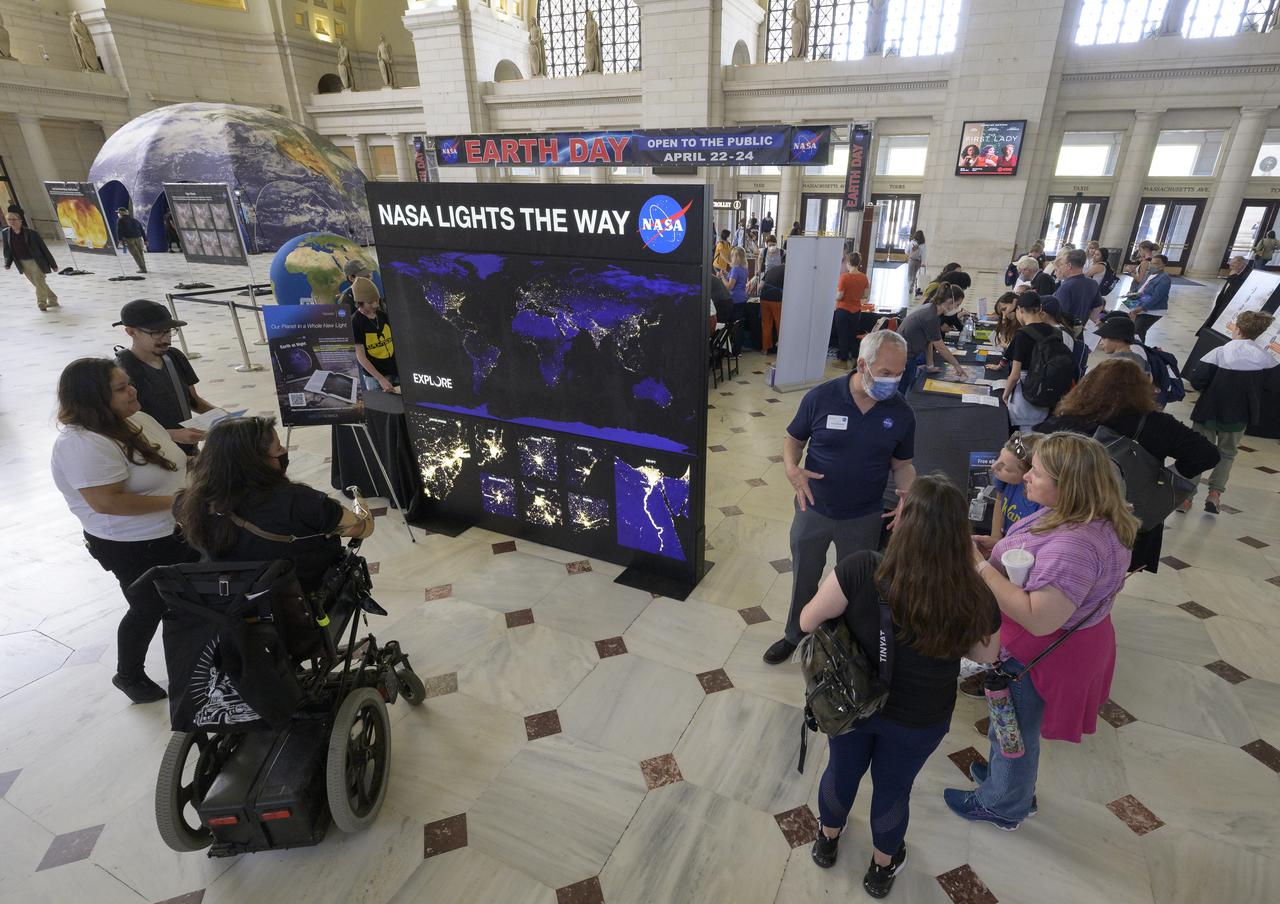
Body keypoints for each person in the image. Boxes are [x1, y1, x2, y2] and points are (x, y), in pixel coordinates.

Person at [800, 475, 1001, 898]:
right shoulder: (975, 594)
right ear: (959, 534)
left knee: (841, 771)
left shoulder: (861, 567)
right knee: (893, 789)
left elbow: (806, 621)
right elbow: (985, 657)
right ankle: (881, 867)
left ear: (903, 524)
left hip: (852, 704)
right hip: (919, 718)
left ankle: (827, 841)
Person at [944, 432, 1138, 831]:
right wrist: (993, 552)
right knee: (1009, 728)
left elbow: (1038, 617)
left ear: (1068, 486)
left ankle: (1004, 804)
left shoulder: (1075, 547)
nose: (1027, 477)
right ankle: (1009, 783)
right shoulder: (1079, 514)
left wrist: (979, 568)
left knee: (1013, 728)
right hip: (1050, 645)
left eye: (1038, 472)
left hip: (1041, 654)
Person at [763, 330, 917, 665]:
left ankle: (844, 647)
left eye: (900, 372)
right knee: (805, 576)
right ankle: (794, 634)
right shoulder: (821, 397)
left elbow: (903, 465)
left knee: (854, 586)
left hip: (863, 515)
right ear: (863, 365)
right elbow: (793, 438)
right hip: (813, 507)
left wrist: (909, 492)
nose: (894, 381)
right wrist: (791, 468)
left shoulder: (901, 413)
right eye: (887, 373)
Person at [50, 358, 198, 703]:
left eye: (129, 383)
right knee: (148, 607)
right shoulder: (83, 444)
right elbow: (108, 502)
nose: (133, 390)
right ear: (92, 399)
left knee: (191, 598)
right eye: (121, 388)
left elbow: (170, 457)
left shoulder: (136, 419)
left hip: (173, 526)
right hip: (130, 543)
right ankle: (129, 674)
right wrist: (179, 500)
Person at [1039, 359, 1217, 572]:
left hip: (1073, 507)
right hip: (1129, 514)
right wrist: (1166, 475)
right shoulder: (1156, 423)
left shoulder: (1074, 417)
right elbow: (1208, 454)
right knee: (1114, 572)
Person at [177, 417, 374, 595]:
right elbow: (361, 528)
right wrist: (360, 504)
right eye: (278, 449)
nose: (284, 452)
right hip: (300, 598)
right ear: (256, 462)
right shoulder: (300, 501)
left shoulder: (188, 503)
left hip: (233, 602)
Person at [1187, 310, 1277, 514]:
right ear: (1259, 332)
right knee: (1227, 454)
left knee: (1198, 451)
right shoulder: (1265, 358)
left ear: (1237, 328)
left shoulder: (1219, 352)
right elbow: (1273, 386)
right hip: (1239, 414)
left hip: (1208, 411)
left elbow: (1198, 380)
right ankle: (1214, 494)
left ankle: (1186, 497)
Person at [113, 300, 216, 454]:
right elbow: (122, 425)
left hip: (188, 448)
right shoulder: (122, 371)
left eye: (168, 331)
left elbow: (193, 399)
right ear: (131, 332)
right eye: (156, 332)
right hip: (152, 453)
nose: (166, 339)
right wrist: (172, 435)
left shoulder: (174, 356)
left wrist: (222, 417)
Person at [1001, 293, 1067, 432]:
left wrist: (1005, 395)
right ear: (1040, 308)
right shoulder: (1055, 332)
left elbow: (1015, 375)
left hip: (1026, 393)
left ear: (1021, 310)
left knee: (1024, 436)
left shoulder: (1022, 334)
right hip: (1048, 392)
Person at [975, 431, 1044, 552]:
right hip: (1006, 540)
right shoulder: (1005, 480)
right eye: (998, 458)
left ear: (1028, 475)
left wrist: (1002, 548)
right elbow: (999, 501)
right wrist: (996, 538)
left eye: (1005, 468)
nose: (993, 466)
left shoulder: (1041, 504)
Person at [896, 283, 970, 392]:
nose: (957, 309)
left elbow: (929, 341)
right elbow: (941, 348)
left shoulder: (932, 309)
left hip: (906, 354)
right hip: (904, 358)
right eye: (957, 305)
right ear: (950, 302)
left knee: (907, 388)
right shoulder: (931, 316)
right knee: (903, 391)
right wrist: (957, 366)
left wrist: (930, 365)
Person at [3, 209, 59, 311]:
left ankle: (41, 302)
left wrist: (53, 264)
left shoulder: (31, 233)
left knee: (39, 281)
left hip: (36, 261)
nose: (11, 221)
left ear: (20, 220)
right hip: (22, 263)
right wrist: (8, 263)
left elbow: (44, 249)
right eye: (9, 219)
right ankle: (53, 299)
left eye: (13, 219)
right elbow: (8, 250)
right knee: (38, 283)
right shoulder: (6, 233)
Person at [352, 276, 398, 391]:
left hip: (395, 372)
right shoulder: (355, 322)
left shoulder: (382, 315)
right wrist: (380, 379)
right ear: (360, 303)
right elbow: (360, 356)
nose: (375, 305)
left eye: (376, 300)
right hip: (375, 379)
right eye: (370, 302)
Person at [833, 252, 874, 368]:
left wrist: (833, 295)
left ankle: (843, 361)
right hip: (856, 311)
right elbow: (865, 295)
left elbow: (840, 296)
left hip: (843, 310)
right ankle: (855, 361)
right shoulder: (864, 277)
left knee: (842, 336)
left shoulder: (844, 277)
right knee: (852, 336)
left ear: (849, 263)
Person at [1196, 255, 1248, 337]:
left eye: (1233, 264)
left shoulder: (1245, 274)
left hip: (1231, 304)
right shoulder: (1235, 272)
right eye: (1230, 264)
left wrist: (1233, 277)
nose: (1231, 266)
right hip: (1222, 301)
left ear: (1241, 265)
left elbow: (1239, 288)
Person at [1124, 253, 1171, 343]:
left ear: (1163, 265)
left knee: (1138, 331)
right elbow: (1141, 286)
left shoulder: (1164, 278)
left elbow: (1156, 297)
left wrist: (1141, 308)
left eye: (1156, 264)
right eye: (1152, 263)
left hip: (1153, 310)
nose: (1152, 265)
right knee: (1128, 323)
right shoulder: (1150, 273)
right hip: (1140, 302)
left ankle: (1139, 352)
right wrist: (1132, 292)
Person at [722, 245, 750, 328]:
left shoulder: (735, 269)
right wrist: (727, 274)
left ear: (736, 257)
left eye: (732, 256)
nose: (731, 258)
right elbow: (738, 280)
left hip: (735, 299)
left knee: (733, 326)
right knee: (739, 324)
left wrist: (721, 277)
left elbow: (729, 287)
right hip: (743, 298)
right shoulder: (745, 269)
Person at [116, 207, 148, 274]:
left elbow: (119, 230)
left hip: (130, 239)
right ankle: (143, 267)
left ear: (121, 213)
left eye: (118, 213)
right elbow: (141, 230)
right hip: (139, 238)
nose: (118, 214)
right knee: (140, 253)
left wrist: (120, 239)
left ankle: (142, 269)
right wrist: (145, 240)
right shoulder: (134, 220)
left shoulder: (120, 220)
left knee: (136, 254)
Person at [907, 230, 925, 297]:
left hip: (912, 260)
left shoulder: (912, 242)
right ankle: (913, 283)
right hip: (918, 261)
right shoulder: (923, 245)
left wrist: (909, 254)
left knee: (910, 274)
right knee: (914, 273)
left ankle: (910, 284)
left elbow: (907, 251)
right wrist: (923, 262)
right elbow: (923, 254)